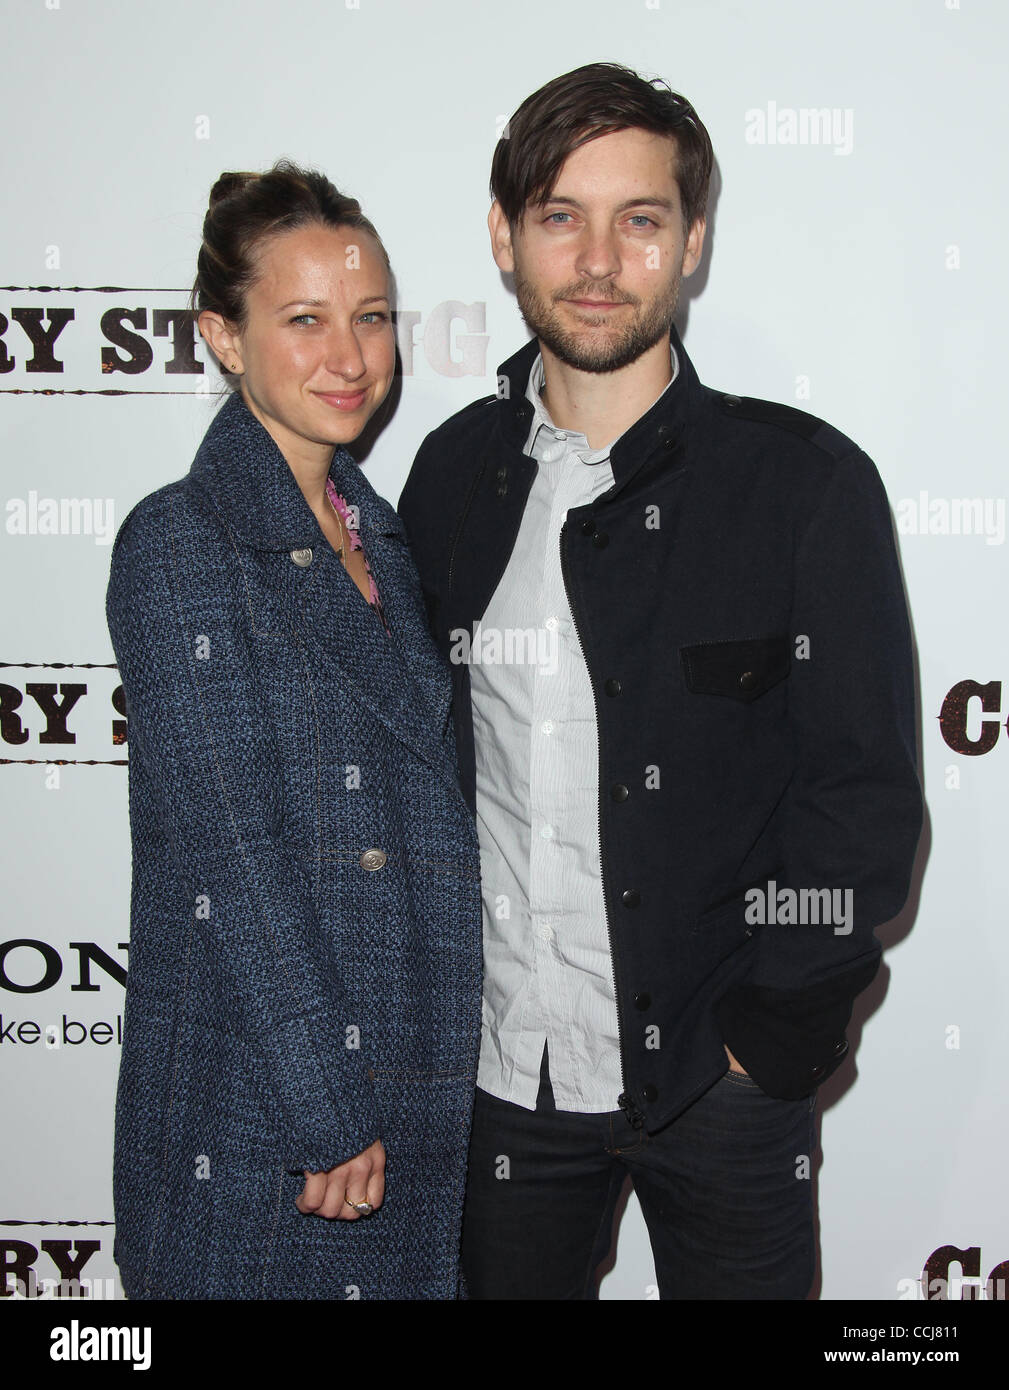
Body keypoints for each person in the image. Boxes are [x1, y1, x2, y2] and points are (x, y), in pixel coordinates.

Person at [397, 63, 923, 1299]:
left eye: (637, 220)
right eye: (558, 216)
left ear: (690, 244)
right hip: (501, 1079)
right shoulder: (450, 478)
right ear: (503, 236)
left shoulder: (801, 487)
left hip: (717, 1082)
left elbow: (861, 806)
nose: (596, 259)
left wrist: (767, 1037)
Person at [106, 160, 482, 1300]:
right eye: (304, 320)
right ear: (224, 336)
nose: (350, 358)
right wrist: (325, 1110)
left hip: (407, 1074)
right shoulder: (181, 543)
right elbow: (237, 858)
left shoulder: (384, 535)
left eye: (371, 319)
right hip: (270, 1108)